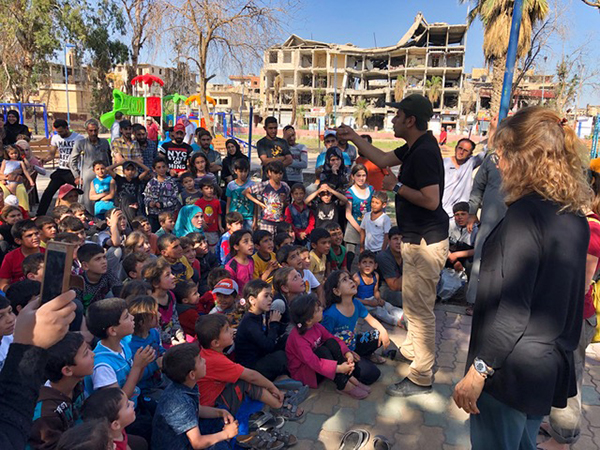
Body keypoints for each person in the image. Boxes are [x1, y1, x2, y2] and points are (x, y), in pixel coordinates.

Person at [452, 107, 591, 450]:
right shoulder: (573, 217)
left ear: (522, 157)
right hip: (544, 369)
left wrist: (478, 371)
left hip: (508, 372)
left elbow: (513, 311)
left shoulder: (523, 218)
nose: (497, 165)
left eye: (500, 155)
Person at [337, 94, 449, 397]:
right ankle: (412, 349)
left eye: (398, 116)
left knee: (422, 309)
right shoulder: (415, 146)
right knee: (413, 304)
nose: (393, 120)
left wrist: (396, 186)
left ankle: (421, 376)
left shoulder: (424, 151)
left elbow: (431, 200)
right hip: (417, 239)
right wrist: (354, 138)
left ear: (410, 120)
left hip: (426, 242)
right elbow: (383, 158)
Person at [538, 170, 600, 449]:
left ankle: (561, 440)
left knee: (569, 379)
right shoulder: (581, 222)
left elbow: (582, 284)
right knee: (559, 374)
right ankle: (555, 426)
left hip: (575, 314)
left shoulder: (592, 228)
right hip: (566, 313)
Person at [0, 290, 77, 449]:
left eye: (9, 312)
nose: (10, 319)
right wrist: (31, 348)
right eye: (1, 316)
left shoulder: (13, 337)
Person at [195, 314, 292, 419]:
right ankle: (279, 407)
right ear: (215, 343)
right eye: (227, 330)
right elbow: (252, 376)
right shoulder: (215, 360)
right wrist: (272, 388)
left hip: (211, 400)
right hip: (213, 407)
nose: (232, 331)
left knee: (244, 376)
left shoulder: (207, 353)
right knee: (247, 381)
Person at [151, 343, 238, 450]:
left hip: (186, 439)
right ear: (192, 374)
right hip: (182, 445)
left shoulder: (186, 385)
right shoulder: (179, 403)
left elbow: (197, 409)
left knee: (221, 415)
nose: (205, 361)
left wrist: (220, 412)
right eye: (201, 360)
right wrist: (226, 434)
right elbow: (197, 443)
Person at [286, 294, 367, 398]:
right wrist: (338, 368)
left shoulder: (316, 326)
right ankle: (343, 384)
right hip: (306, 373)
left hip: (319, 367)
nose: (321, 309)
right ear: (308, 320)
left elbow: (332, 338)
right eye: (317, 309)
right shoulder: (298, 339)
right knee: (323, 351)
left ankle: (348, 377)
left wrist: (347, 352)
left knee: (331, 343)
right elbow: (313, 362)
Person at [466, 115, 507, 309]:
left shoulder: (527, 162)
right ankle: (474, 301)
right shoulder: (492, 159)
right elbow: (477, 187)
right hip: (490, 220)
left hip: (516, 223)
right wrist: (472, 212)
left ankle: (500, 303)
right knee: (480, 258)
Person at [28, 332, 94, 449]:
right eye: (85, 354)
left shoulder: (77, 381)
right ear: (67, 370)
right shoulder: (46, 413)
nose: (93, 354)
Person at [322, 270, 388, 381]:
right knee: (372, 374)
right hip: (341, 354)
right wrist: (347, 352)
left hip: (354, 343)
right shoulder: (330, 314)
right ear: (337, 291)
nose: (350, 281)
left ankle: (365, 355)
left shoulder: (356, 303)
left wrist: (384, 331)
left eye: (349, 278)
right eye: (344, 280)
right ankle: (348, 370)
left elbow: (371, 320)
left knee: (378, 335)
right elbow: (326, 341)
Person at [235, 279, 287, 381]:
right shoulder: (249, 322)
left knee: (287, 340)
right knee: (280, 357)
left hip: (261, 356)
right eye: (265, 296)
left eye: (270, 296)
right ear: (252, 300)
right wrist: (274, 324)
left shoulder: (260, 315)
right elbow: (268, 346)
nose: (270, 299)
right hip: (251, 367)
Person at [38, 119, 85, 216]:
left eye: (61, 131)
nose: (60, 134)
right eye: (57, 132)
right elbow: (51, 154)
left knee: (81, 191)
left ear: (67, 128)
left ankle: (82, 212)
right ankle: (40, 214)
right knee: (48, 192)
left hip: (73, 170)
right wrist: (45, 160)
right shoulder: (56, 138)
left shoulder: (78, 138)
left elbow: (84, 154)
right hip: (61, 169)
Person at [81, 388, 147, 450]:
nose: (132, 403)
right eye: (127, 405)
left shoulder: (115, 430)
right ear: (115, 424)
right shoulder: (111, 447)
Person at [69, 119, 112, 213]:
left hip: (104, 175)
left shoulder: (104, 143)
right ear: (86, 130)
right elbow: (72, 161)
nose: (93, 133)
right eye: (91, 131)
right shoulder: (80, 143)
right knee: (88, 198)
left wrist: (111, 172)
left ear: (98, 130)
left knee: (105, 196)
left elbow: (109, 158)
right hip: (88, 175)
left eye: (95, 130)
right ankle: (89, 215)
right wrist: (76, 175)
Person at [353, 250, 404, 328]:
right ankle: (396, 321)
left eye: (370, 262)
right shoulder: (357, 278)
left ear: (375, 266)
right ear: (359, 265)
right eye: (364, 262)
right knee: (379, 311)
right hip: (361, 303)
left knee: (387, 305)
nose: (367, 265)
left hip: (372, 299)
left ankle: (404, 316)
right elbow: (352, 298)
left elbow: (376, 291)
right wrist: (368, 302)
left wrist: (379, 299)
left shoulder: (375, 275)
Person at [143, 258, 186, 347]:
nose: (173, 276)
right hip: (161, 342)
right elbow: (156, 331)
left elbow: (175, 321)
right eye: (167, 275)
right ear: (155, 283)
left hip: (174, 337)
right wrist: (172, 341)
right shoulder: (151, 303)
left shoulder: (171, 295)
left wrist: (180, 337)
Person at [244, 161, 290, 235]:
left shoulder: (285, 187)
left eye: (280, 173)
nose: (278, 176)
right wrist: (259, 203)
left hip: (280, 222)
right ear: (269, 173)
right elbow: (246, 192)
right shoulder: (263, 185)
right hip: (266, 222)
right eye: (276, 173)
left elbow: (287, 204)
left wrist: (284, 201)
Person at [441, 138, 484, 217]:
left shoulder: (471, 163)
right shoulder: (443, 163)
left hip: (460, 215)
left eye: (465, 150)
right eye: (460, 148)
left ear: (470, 153)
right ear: (455, 148)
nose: (461, 152)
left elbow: (487, 150)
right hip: (442, 212)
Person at [0, 220, 44, 291]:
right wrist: (16, 293)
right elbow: (3, 283)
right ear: (18, 241)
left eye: (36, 233)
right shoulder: (10, 257)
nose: (35, 237)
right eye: (29, 235)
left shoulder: (48, 253)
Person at [344, 164, 373, 268]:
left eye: (364, 175)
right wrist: (360, 229)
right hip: (354, 225)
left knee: (367, 254)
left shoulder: (370, 189)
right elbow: (348, 214)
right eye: (358, 175)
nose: (361, 178)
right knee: (350, 255)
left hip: (368, 225)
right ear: (353, 176)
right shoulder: (350, 192)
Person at [77, 243, 120, 311]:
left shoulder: (108, 274)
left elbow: (119, 290)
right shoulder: (79, 282)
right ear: (85, 265)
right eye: (98, 259)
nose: (104, 262)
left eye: (104, 257)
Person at [143, 156, 181, 232]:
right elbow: (146, 197)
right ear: (154, 169)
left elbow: (175, 198)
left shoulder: (172, 182)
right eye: (159, 167)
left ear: (167, 167)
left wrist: (163, 204)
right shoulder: (151, 183)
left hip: (168, 216)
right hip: (154, 215)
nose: (161, 169)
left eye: (163, 167)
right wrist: (150, 203)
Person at [256, 116, 292, 182]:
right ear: (265, 128)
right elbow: (265, 161)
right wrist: (280, 158)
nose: (273, 131)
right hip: (267, 180)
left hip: (282, 180)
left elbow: (289, 160)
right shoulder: (261, 143)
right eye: (270, 128)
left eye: (275, 128)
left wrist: (276, 168)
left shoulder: (282, 142)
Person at [225, 158, 255, 230]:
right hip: (234, 218)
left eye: (245, 171)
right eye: (241, 171)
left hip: (248, 217)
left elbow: (255, 204)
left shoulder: (252, 185)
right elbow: (228, 204)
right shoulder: (231, 185)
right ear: (235, 171)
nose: (243, 174)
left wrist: (255, 220)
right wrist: (227, 220)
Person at [195, 180, 223, 252]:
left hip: (213, 229)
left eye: (211, 188)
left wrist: (220, 226)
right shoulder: (198, 203)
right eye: (206, 188)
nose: (209, 190)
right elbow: (196, 215)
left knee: (213, 248)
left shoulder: (216, 202)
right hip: (202, 230)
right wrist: (202, 222)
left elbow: (219, 214)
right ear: (201, 190)